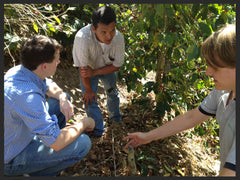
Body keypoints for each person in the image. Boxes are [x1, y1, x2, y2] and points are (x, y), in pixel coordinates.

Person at [123, 23, 236, 176]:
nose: (208, 72)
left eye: (216, 67)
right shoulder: (222, 92)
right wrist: (147, 137)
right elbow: (191, 117)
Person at [4, 35, 95, 176]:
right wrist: (84, 122)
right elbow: (57, 143)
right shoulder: (28, 98)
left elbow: (46, 83)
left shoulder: (19, 71)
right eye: (56, 59)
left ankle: (45, 150)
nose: (59, 62)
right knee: (83, 144)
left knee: (62, 100)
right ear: (44, 66)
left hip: (18, 134)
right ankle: (32, 174)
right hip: (11, 157)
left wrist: (62, 97)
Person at [72, 5, 125, 137]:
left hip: (107, 68)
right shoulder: (82, 38)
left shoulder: (118, 38)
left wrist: (94, 72)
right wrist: (88, 89)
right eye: (104, 32)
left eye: (112, 30)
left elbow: (117, 65)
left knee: (112, 92)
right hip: (88, 69)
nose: (109, 36)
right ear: (93, 29)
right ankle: (98, 129)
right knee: (89, 99)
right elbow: (83, 69)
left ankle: (116, 119)